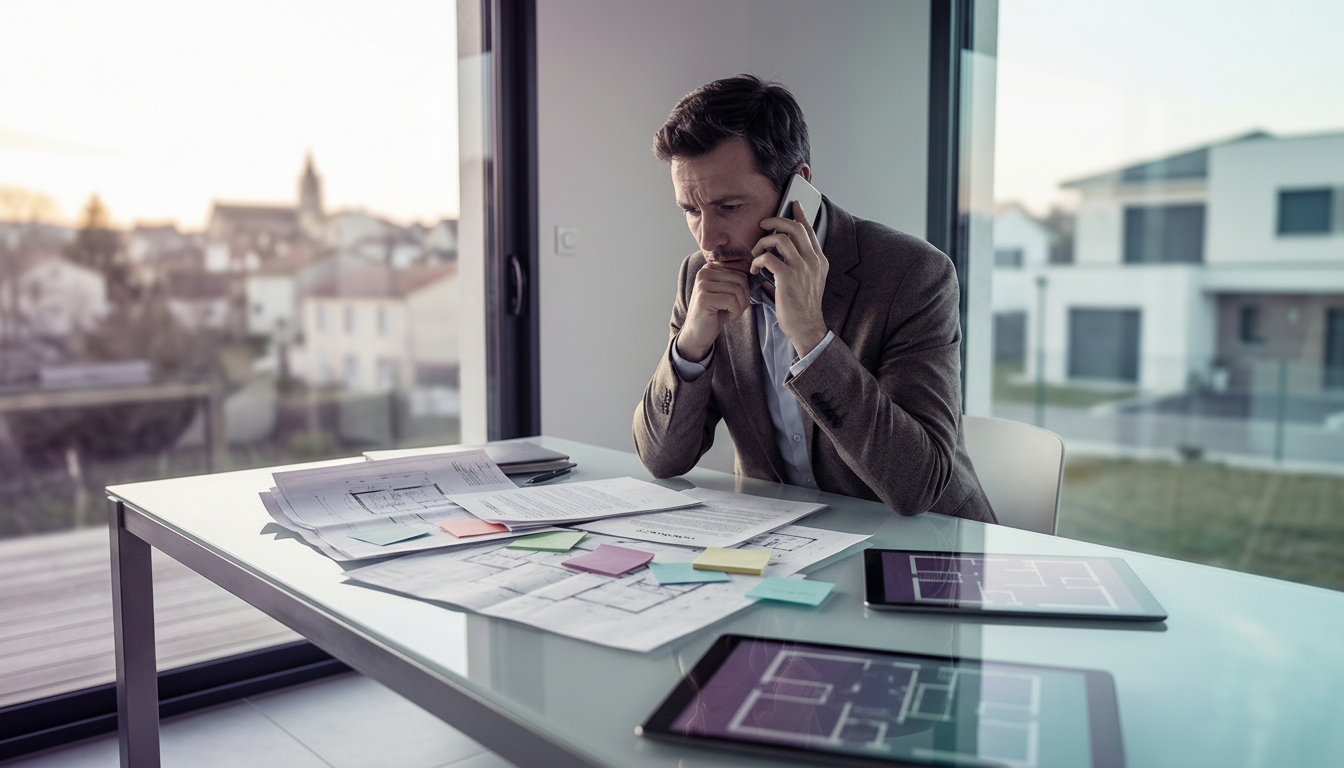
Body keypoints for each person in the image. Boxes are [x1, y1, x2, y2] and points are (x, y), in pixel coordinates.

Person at [632, 74, 995, 522]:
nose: (707, 238)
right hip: (787, 543)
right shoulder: (700, 278)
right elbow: (661, 460)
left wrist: (811, 336)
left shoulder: (914, 275)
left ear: (797, 187)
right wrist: (691, 346)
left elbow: (917, 484)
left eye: (729, 207)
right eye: (691, 210)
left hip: (923, 545)